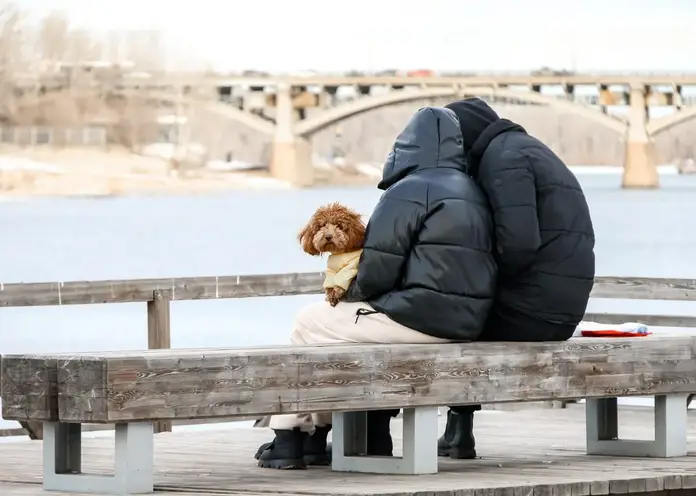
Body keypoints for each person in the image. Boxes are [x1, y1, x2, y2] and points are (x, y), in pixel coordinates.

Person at [255, 106, 498, 470]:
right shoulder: (473, 192)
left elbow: (375, 273)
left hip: (420, 321)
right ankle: (340, 432)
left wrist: (348, 293)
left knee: (310, 322)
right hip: (465, 324)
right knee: (337, 332)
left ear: (407, 145)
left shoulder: (408, 191)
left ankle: (292, 436)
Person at [436, 98, 596, 460]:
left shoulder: (502, 160)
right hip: (561, 309)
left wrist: (476, 277)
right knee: (456, 316)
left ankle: (376, 436)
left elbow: (519, 246)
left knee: (438, 320)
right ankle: (456, 433)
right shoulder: (527, 150)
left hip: (533, 311)